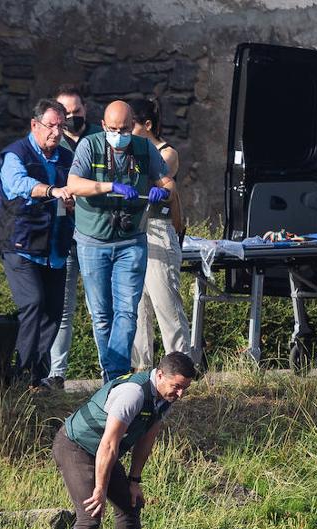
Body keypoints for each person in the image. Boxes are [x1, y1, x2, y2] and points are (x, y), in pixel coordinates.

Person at [53, 351, 198, 529]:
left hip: (102, 451)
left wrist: (134, 480)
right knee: (90, 513)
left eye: (185, 388)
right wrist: (99, 488)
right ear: (160, 375)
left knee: (130, 505)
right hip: (76, 446)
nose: (180, 395)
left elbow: (146, 439)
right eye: (177, 387)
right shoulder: (133, 394)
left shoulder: (164, 396)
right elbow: (109, 444)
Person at [64, 100, 176, 382]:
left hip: (131, 240)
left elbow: (168, 183)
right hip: (93, 240)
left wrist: (161, 192)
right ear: (103, 126)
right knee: (102, 315)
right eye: (113, 129)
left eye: (124, 129)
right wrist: (109, 186)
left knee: (127, 311)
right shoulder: (90, 145)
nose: (119, 134)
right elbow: (74, 184)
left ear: (133, 127)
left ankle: (116, 376)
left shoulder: (144, 148)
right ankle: (111, 374)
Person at [0, 99, 76, 388]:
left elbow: (78, 191)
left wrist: (76, 202)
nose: (56, 132)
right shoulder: (15, 154)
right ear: (34, 125)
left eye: (61, 126)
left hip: (55, 248)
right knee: (33, 302)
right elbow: (17, 185)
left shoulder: (67, 158)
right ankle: (17, 374)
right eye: (51, 125)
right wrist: (52, 190)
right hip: (20, 246)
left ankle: (35, 377)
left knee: (54, 311)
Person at [128, 98, 190, 370]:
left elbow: (157, 178)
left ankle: (181, 364)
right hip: (135, 231)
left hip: (158, 230)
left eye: (131, 125)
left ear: (147, 125)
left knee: (165, 301)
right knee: (138, 305)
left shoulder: (167, 152)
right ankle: (141, 368)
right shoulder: (130, 152)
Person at [45, 85, 99, 389]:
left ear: (85, 110)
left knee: (99, 306)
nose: (72, 118)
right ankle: (56, 374)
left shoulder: (98, 140)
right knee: (62, 309)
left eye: (77, 112)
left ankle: (111, 371)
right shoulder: (52, 145)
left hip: (94, 232)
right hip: (64, 233)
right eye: (66, 114)